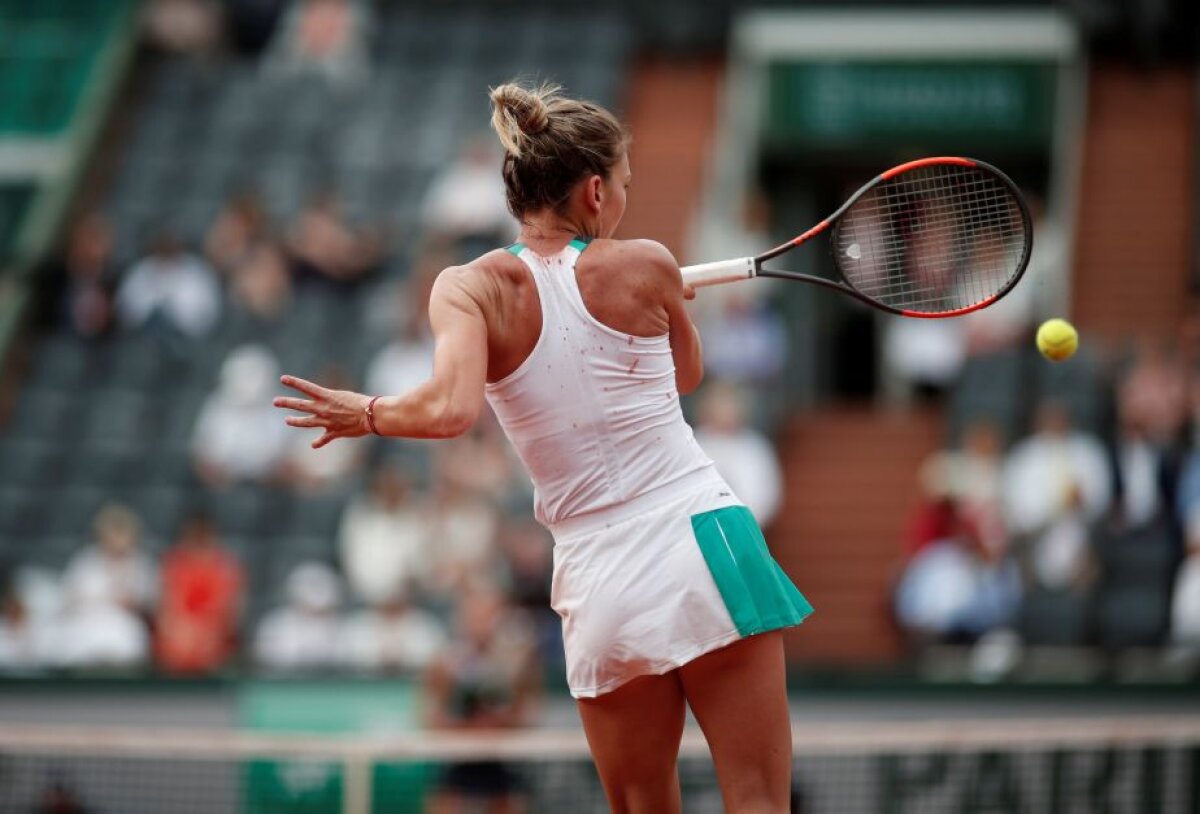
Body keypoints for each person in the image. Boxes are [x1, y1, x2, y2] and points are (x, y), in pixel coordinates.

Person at [275, 81, 811, 813]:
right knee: (758, 801)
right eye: (622, 184)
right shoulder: (646, 263)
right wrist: (662, 306)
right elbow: (687, 375)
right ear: (594, 192)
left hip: (598, 576)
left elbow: (450, 410)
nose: (623, 197)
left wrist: (368, 414)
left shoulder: (469, 289)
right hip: (702, 537)